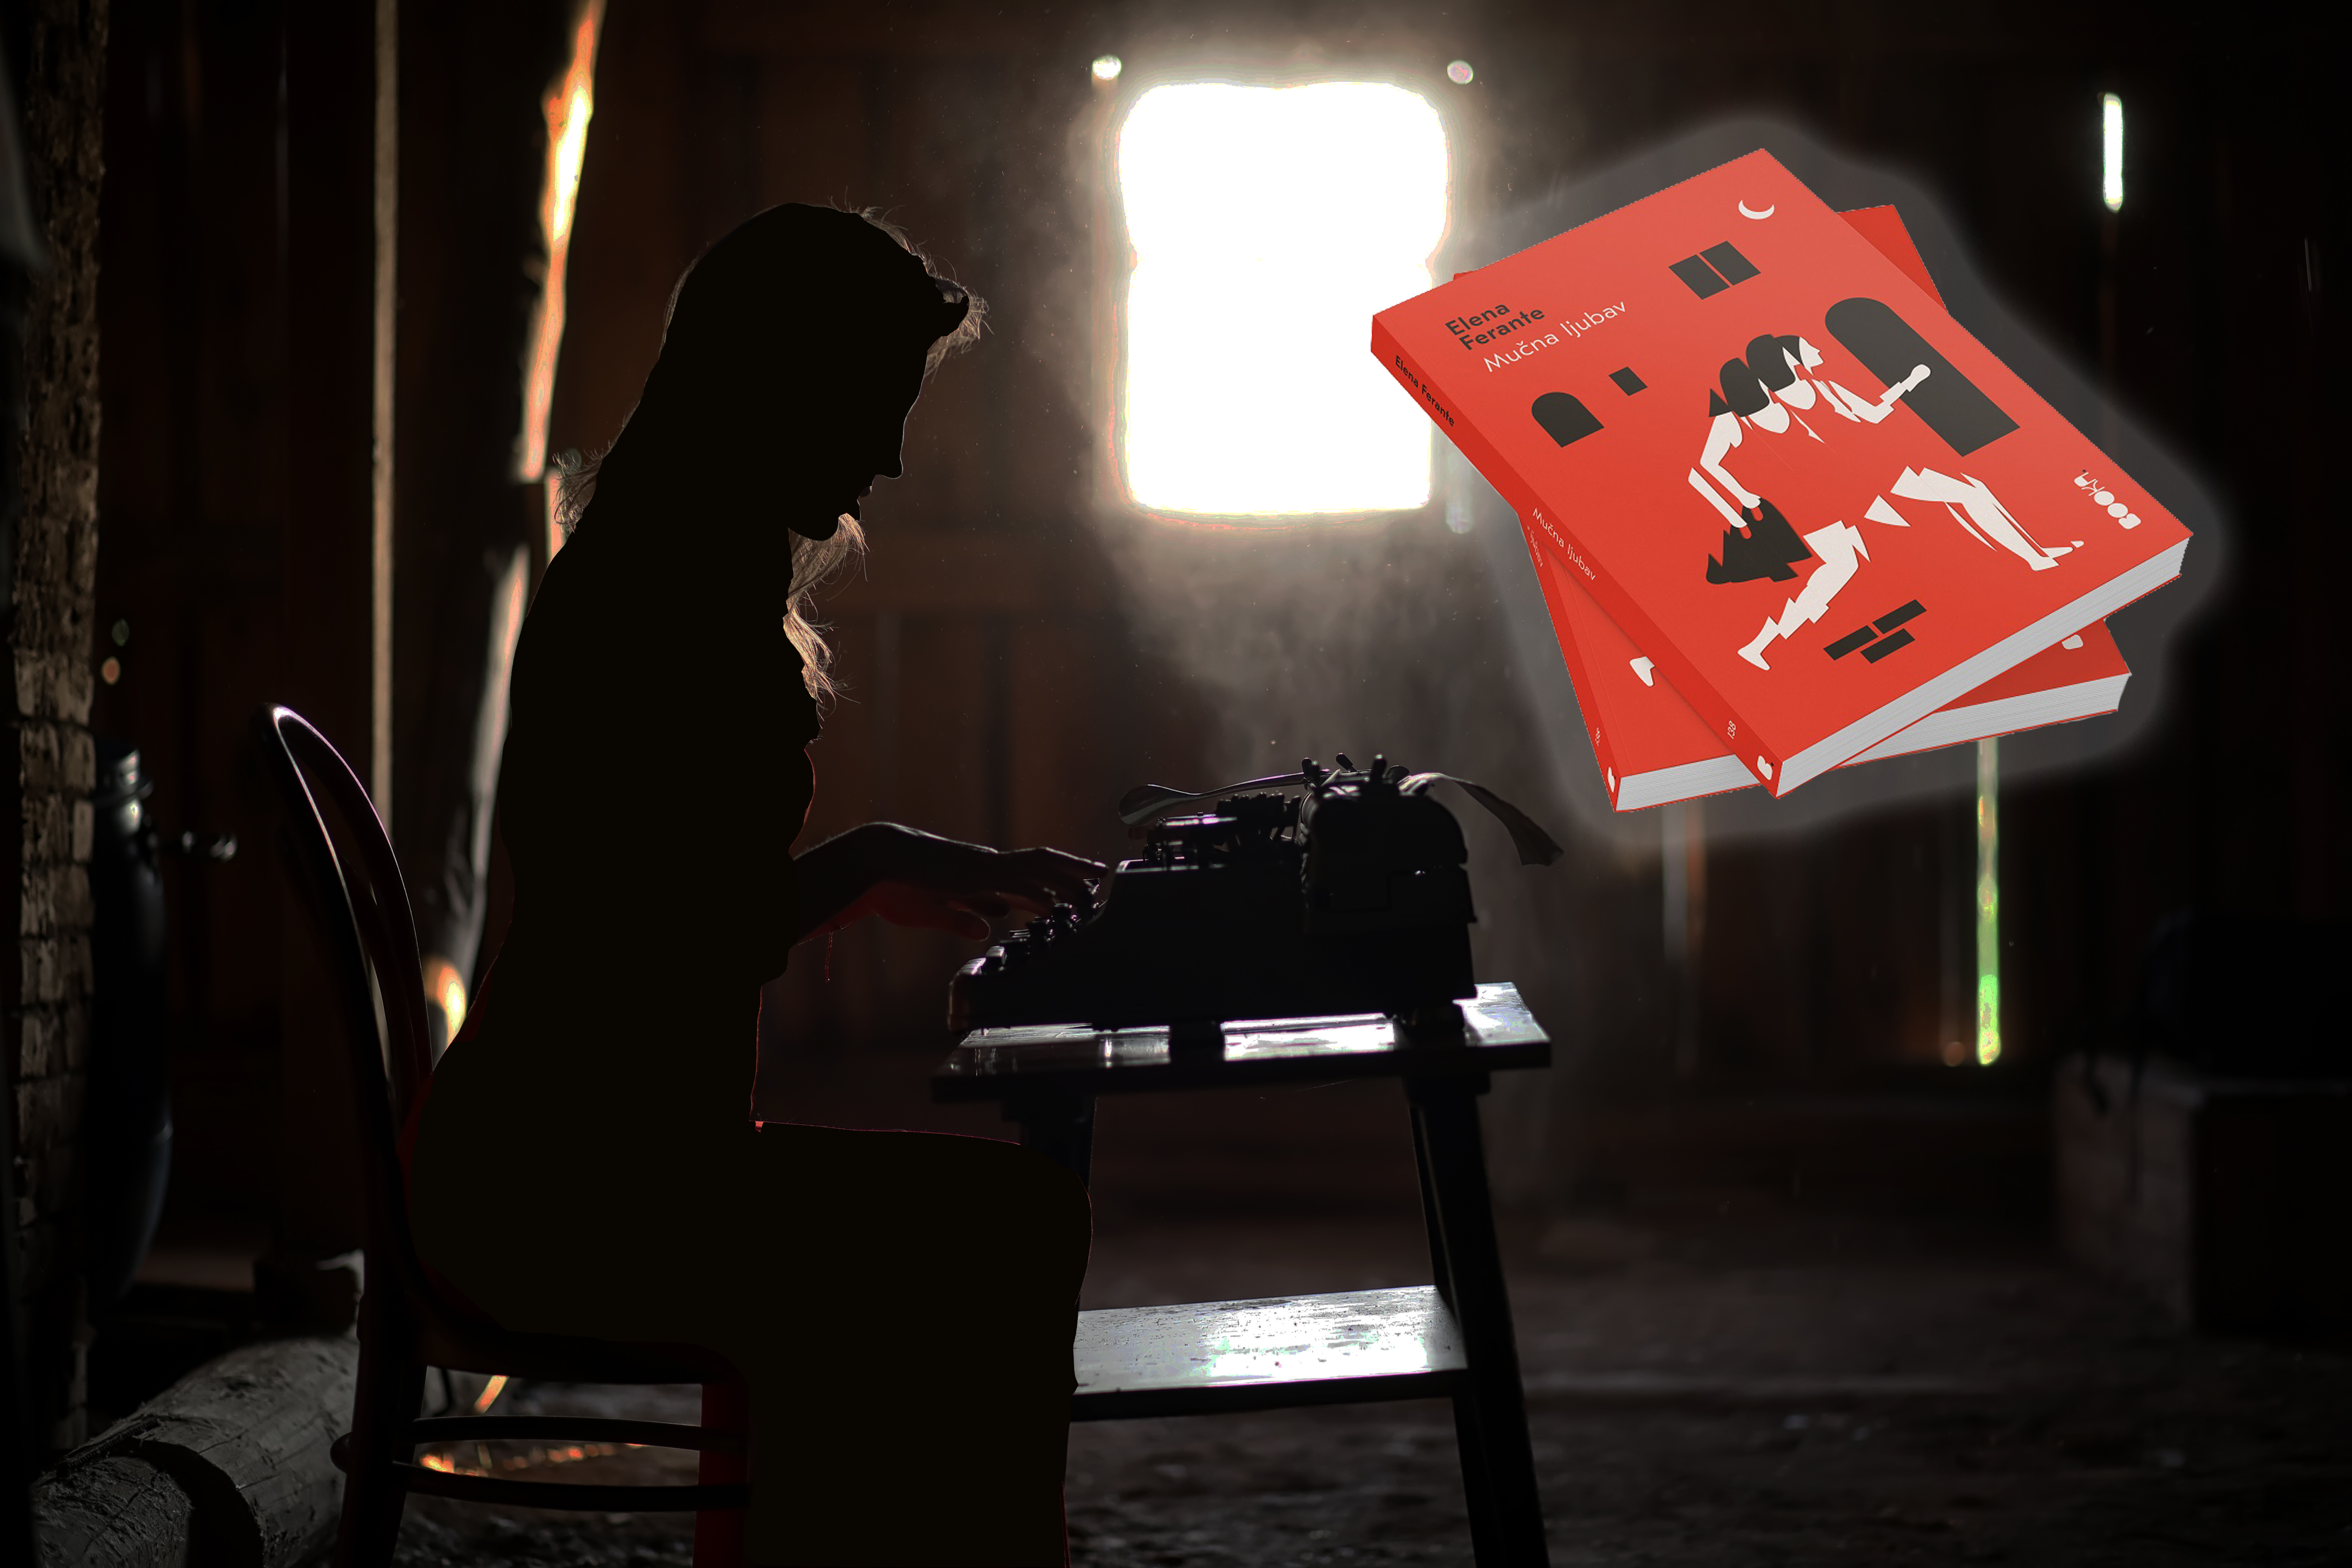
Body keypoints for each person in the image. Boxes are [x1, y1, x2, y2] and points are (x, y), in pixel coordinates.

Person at [406, 204, 1102, 1567]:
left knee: (974, 1232)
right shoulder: (668, 598)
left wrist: (876, 860)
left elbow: (664, 906)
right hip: (568, 1198)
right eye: (873, 403)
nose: (892, 455)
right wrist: (876, 858)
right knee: (1014, 1229)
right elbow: (680, 937)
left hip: (566, 1158)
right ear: (777, 382)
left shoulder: (658, 568)